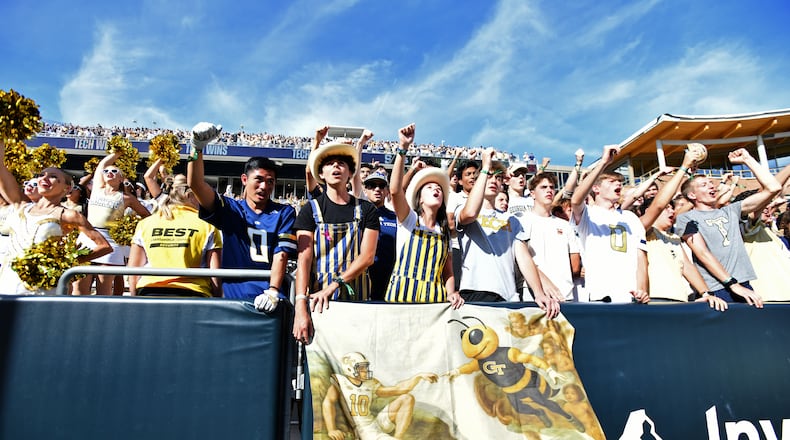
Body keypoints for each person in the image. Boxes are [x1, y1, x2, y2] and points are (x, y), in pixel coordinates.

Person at [186, 122, 296, 309]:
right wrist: (196, 149)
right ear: (244, 180)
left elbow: (282, 254)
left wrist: (273, 290)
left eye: (270, 182)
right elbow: (196, 184)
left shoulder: (284, 212)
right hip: (233, 296)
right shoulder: (230, 208)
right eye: (259, 180)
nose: (264, 186)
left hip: (270, 297)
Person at [292, 138, 380, 343]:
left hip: (357, 301)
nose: (336, 166)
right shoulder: (309, 210)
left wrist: (335, 285)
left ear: (350, 173)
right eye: (330, 163)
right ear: (320, 173)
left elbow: (367, 257)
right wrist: (300, 306)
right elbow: (303, 260)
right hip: (319, 303)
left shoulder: (366, 210)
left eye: (342, 163)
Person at [456, 148, 558, 317]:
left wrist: (539, 292)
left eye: (498, 177)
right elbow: (470, 214)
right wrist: (484, 167)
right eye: (489, 176)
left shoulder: (512, 219)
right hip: (476, 290)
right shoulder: (463, 207)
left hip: (508, 294)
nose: (494, 180)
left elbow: (523, 257)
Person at [0, 140, 111, 295]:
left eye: (52, 176)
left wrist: (64, 262)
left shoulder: (69, 215)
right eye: (41, 175)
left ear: (67, 188)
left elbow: (104, 246)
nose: (44, 178)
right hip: (8, 282)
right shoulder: (21, 204)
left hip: (41, 288)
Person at [675, 148, 781, 307]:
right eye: (704, 184)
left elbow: (774, 188)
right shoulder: (687, 218)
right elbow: (702, 253)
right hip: (717, 289)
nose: (711, 186)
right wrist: (732, 284)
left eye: (711, 183)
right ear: (692, 195)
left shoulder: (731, 210)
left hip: (743, 285)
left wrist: (747, 159)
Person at [637, 147, 727, 311]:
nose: (672, 211)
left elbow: (687, 266)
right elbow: (659, 204)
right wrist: (683, 167)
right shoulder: (643, 231)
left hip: (681, 299)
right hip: (655, 299)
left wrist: (705, 293)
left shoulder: (673, 238)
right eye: (667, 209)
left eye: (673, 208)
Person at [384, 124, 463, 308]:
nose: (436, 189)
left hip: (434, 305)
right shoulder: (409, 219)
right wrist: (403, 148)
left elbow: (448, 269)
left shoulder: (443, 230)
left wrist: (451, 293)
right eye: (429, 187)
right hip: (401, 300)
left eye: (439, 188)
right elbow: (395, 191)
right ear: (419, 199)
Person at [570, 145, 649, 303]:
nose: (618, 185)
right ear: (596, 188)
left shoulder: (631, 218)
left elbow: (641, 258)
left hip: (632, 297)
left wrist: (642, 291)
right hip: (600, 296)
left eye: (620, 182)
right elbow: (575, 200)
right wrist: (604, 162)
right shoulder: (588, 215)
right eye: (612, 181)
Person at [75, 151, 151, 295]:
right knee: (79, 288)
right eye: (107, 171)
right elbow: (102, 165)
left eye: (114, 171)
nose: (109, 172)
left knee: (103, 289)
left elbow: (146, 215)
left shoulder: (127, 197)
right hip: (87, 237)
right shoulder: (97, 189)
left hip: (110, 242)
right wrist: (118, 152)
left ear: (121, 178)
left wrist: (130, 229)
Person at [128, 182, 223, 297]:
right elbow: (215, 274)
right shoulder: (208, 226)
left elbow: (133, 271)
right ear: (190, 196)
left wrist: (134, 299)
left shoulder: (145, 224)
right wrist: (217, 300)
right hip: (193, 292)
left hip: (149, 290)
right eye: (202, 195)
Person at [322, 352, 438, 440]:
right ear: (350, 368)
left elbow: (398, 389)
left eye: (365, 366)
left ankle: (398, 437)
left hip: (374, 423)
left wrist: (418, 377)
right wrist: (331, 429)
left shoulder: (370, 383)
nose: (365, 370)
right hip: (362, 430)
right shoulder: (341, 382)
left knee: (407, 398)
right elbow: (328, 402)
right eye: (361, 367)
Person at [523, 172, 581, 302]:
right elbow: (520, 259)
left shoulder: (565, 226)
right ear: (532, 193)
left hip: (565, 295)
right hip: (534, 295)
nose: (549, 190)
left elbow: (575, 265)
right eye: (543, 187)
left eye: (551, 187)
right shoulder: (520, 221)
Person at [362, 170, 397, 300]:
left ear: (387, 191)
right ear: (365, 190)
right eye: (371, 185)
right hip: (363, 277)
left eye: (381, 186)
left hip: (389, 278)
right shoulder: (358, 215)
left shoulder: (396, 217)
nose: (377, 189)